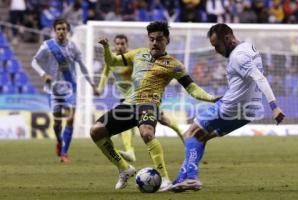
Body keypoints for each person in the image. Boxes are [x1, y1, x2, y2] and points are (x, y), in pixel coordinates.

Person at [90, 21, 219, 191]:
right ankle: (124, 168)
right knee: (96, 131)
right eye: (151, 39)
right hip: (129, 104)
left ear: (167, 41)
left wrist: (211, 98)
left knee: (147, 133)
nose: (155, 43)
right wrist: (106, 48)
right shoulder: (138, 54)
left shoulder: (174, 65)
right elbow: (112, 61)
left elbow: (192, 88)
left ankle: (164, 178)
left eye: (159, 39)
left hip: (149, 104)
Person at [171, 23, 285, 192]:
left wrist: (274, 106)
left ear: (228, 39)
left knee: (190, 134)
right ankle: (182, 178)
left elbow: (259, 78)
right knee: (201, 137)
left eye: (216, 45)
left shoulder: (238, 56)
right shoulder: (250, 47)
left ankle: (191, 177)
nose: (216, 50)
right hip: (248, 113)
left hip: (230, 107)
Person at [98, 34, 185, 162]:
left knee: (163, 119)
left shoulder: (132, 59)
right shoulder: (111, 60)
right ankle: (130, 151)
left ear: (127, 45)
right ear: (114, 45)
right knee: (123, 120)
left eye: (123, 44)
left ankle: (184, 136)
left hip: (141, 96)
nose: (120, 46)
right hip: (125, 97)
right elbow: (104, 75)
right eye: (117, 44)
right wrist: (100, 89)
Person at [31, 18, 99, 163]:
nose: (61, 32)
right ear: (54, 31)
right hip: (53, 89)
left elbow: (83, 67)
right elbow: (34, 61)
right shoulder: (47, 46)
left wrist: (93, 85)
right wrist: (44, 74)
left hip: (70, 88)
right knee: (57, 123)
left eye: (64, 29)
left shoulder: (74, 47)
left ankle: (64, 153)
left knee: (70, 119)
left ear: (68, 31)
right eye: (58, 29)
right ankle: (59, 140)